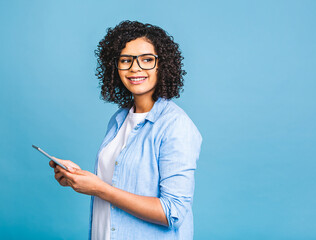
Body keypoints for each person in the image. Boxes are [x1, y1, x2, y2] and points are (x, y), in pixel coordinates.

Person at [49, 20, 202, 240]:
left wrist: (99, 189)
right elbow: (120, 181)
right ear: (115, 67)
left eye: (147, 60)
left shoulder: (175, 125)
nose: (135, 68)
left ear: (163, 65)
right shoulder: (119, 119)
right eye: (126, 60)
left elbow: (173, 212)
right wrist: (80, 178)